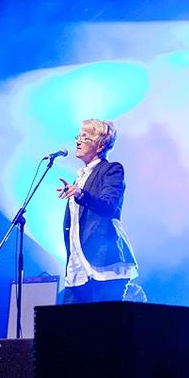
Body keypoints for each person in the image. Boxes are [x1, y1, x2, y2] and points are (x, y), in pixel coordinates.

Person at [57, 119, 139, 303]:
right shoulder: (81, 176)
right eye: (78, 137)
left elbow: (108, 205)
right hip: (77, 266)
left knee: (103, 320)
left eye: (85, 138)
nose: (78, 141)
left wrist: (80, 193)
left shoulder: (111, 170)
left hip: (103, 264)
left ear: (100, 146)